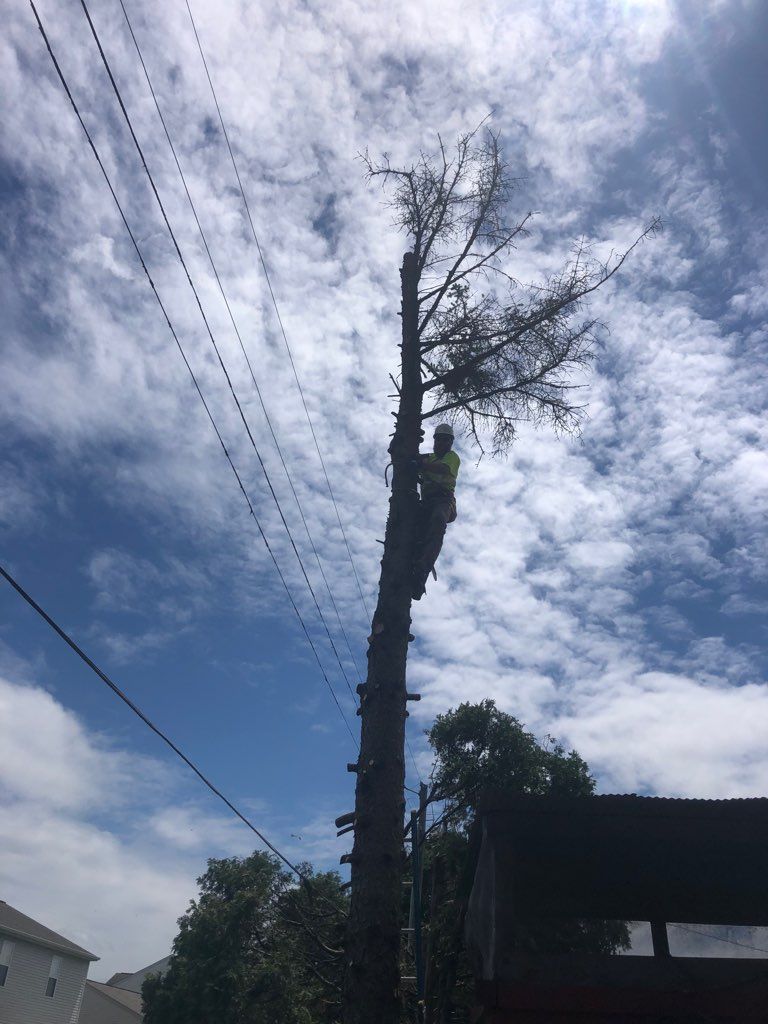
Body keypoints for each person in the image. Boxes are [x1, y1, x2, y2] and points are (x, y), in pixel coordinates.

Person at [412, 423, 460, 600]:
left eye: (446, 440)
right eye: (439, 439)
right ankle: (413, 562)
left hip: (444, 500)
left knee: (438, 521)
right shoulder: (428, 457)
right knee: (416, 532)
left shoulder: (452, 457)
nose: (442, 443)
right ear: (434, 440)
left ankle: (421, 572)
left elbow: (443, 469)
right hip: (427, 502)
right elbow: (405, 455)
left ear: (451, 443)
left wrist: (420, 464)